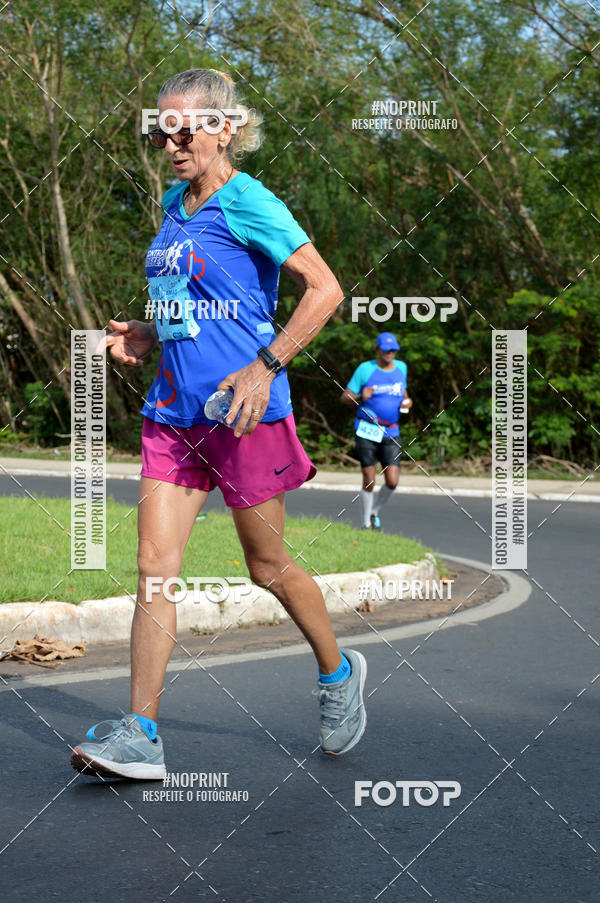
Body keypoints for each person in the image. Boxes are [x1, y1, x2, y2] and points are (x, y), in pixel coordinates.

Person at [70, 69, 367, 780]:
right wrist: (150, 331)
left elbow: (325, 290)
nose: (171, 143)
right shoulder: (175, 203)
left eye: (186, 128)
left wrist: (265, 365)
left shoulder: (251, 202)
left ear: (224, 127)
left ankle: (337, 674)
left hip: (243, 414)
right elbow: (191, 303)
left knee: (266, 565)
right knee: (154, 571)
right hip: (173, 413)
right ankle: (140, 733)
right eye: (160, 130)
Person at [341, 333, 412, 530]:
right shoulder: (365, 369)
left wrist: (407, 401)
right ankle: (365, 524)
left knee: (392, 481)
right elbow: (344, 398)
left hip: (391, 431)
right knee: (369, 480)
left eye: (393, 350)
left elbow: (403, 392)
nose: (390, 353)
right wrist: (360, 396)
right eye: (386, 350)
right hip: (366, 430)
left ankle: (374, 511)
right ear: (377, 350)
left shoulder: (402, 368)